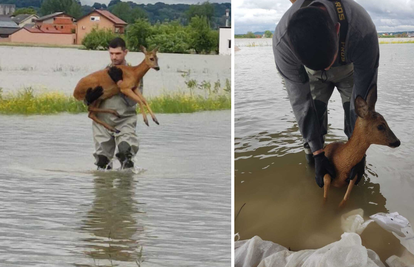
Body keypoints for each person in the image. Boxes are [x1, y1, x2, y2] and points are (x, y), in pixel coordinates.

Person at [273, 0, 379, 187]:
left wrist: (359, 151)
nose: (326, 69)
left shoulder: (362, 32)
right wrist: (317, 153)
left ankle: (354, 172)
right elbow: (301, 103)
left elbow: (365, 98)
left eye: (327, 63)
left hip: (349, 71)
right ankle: (313, 171)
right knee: (312, 124)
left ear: (337, 30)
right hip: (310, 76)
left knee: (356, 116)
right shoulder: (282, 45)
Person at [87, 37, 143, 170]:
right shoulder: (101, 73)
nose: (114, 57)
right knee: (102, 161)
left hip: (124, 120)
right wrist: (89, 98)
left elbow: (133, 101)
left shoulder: (134, 74)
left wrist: (121, 84)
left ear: (125, 52)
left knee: (126, 153)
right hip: (102, 122)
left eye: (117, 54)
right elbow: (88, 103)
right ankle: (104, 188)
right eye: (111, 53)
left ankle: (126, 187)